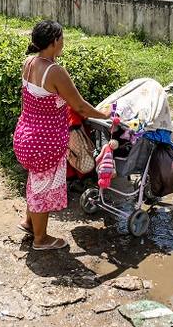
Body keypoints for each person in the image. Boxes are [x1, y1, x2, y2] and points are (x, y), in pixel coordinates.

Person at [13, 21, 108, 251]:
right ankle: (40, 239)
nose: (63, 42)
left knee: (36, 181)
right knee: (43, 188)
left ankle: (29, 223)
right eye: (62, 38)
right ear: (55, 41)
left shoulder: (29, 62)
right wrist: (104, 114)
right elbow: (80, 106)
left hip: (25, 136)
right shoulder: (54, 71)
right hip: (45, 142)